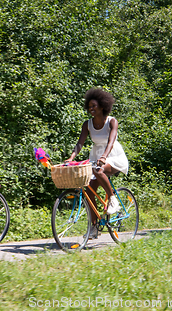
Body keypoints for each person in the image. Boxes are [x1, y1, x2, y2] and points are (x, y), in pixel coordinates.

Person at [65, 87, 129, 239]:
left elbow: (111, 142)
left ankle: (113, 199)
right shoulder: (87, 124)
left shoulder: (112, 121)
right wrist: (71, 158)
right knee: (88, 193)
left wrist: (104, 157)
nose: (91, 109)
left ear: (102, 106)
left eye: (94, 106)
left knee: (98, 170)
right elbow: (80, 144)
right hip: (96, 156)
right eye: (89, 107)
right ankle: (94, 227)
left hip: (113, 156)